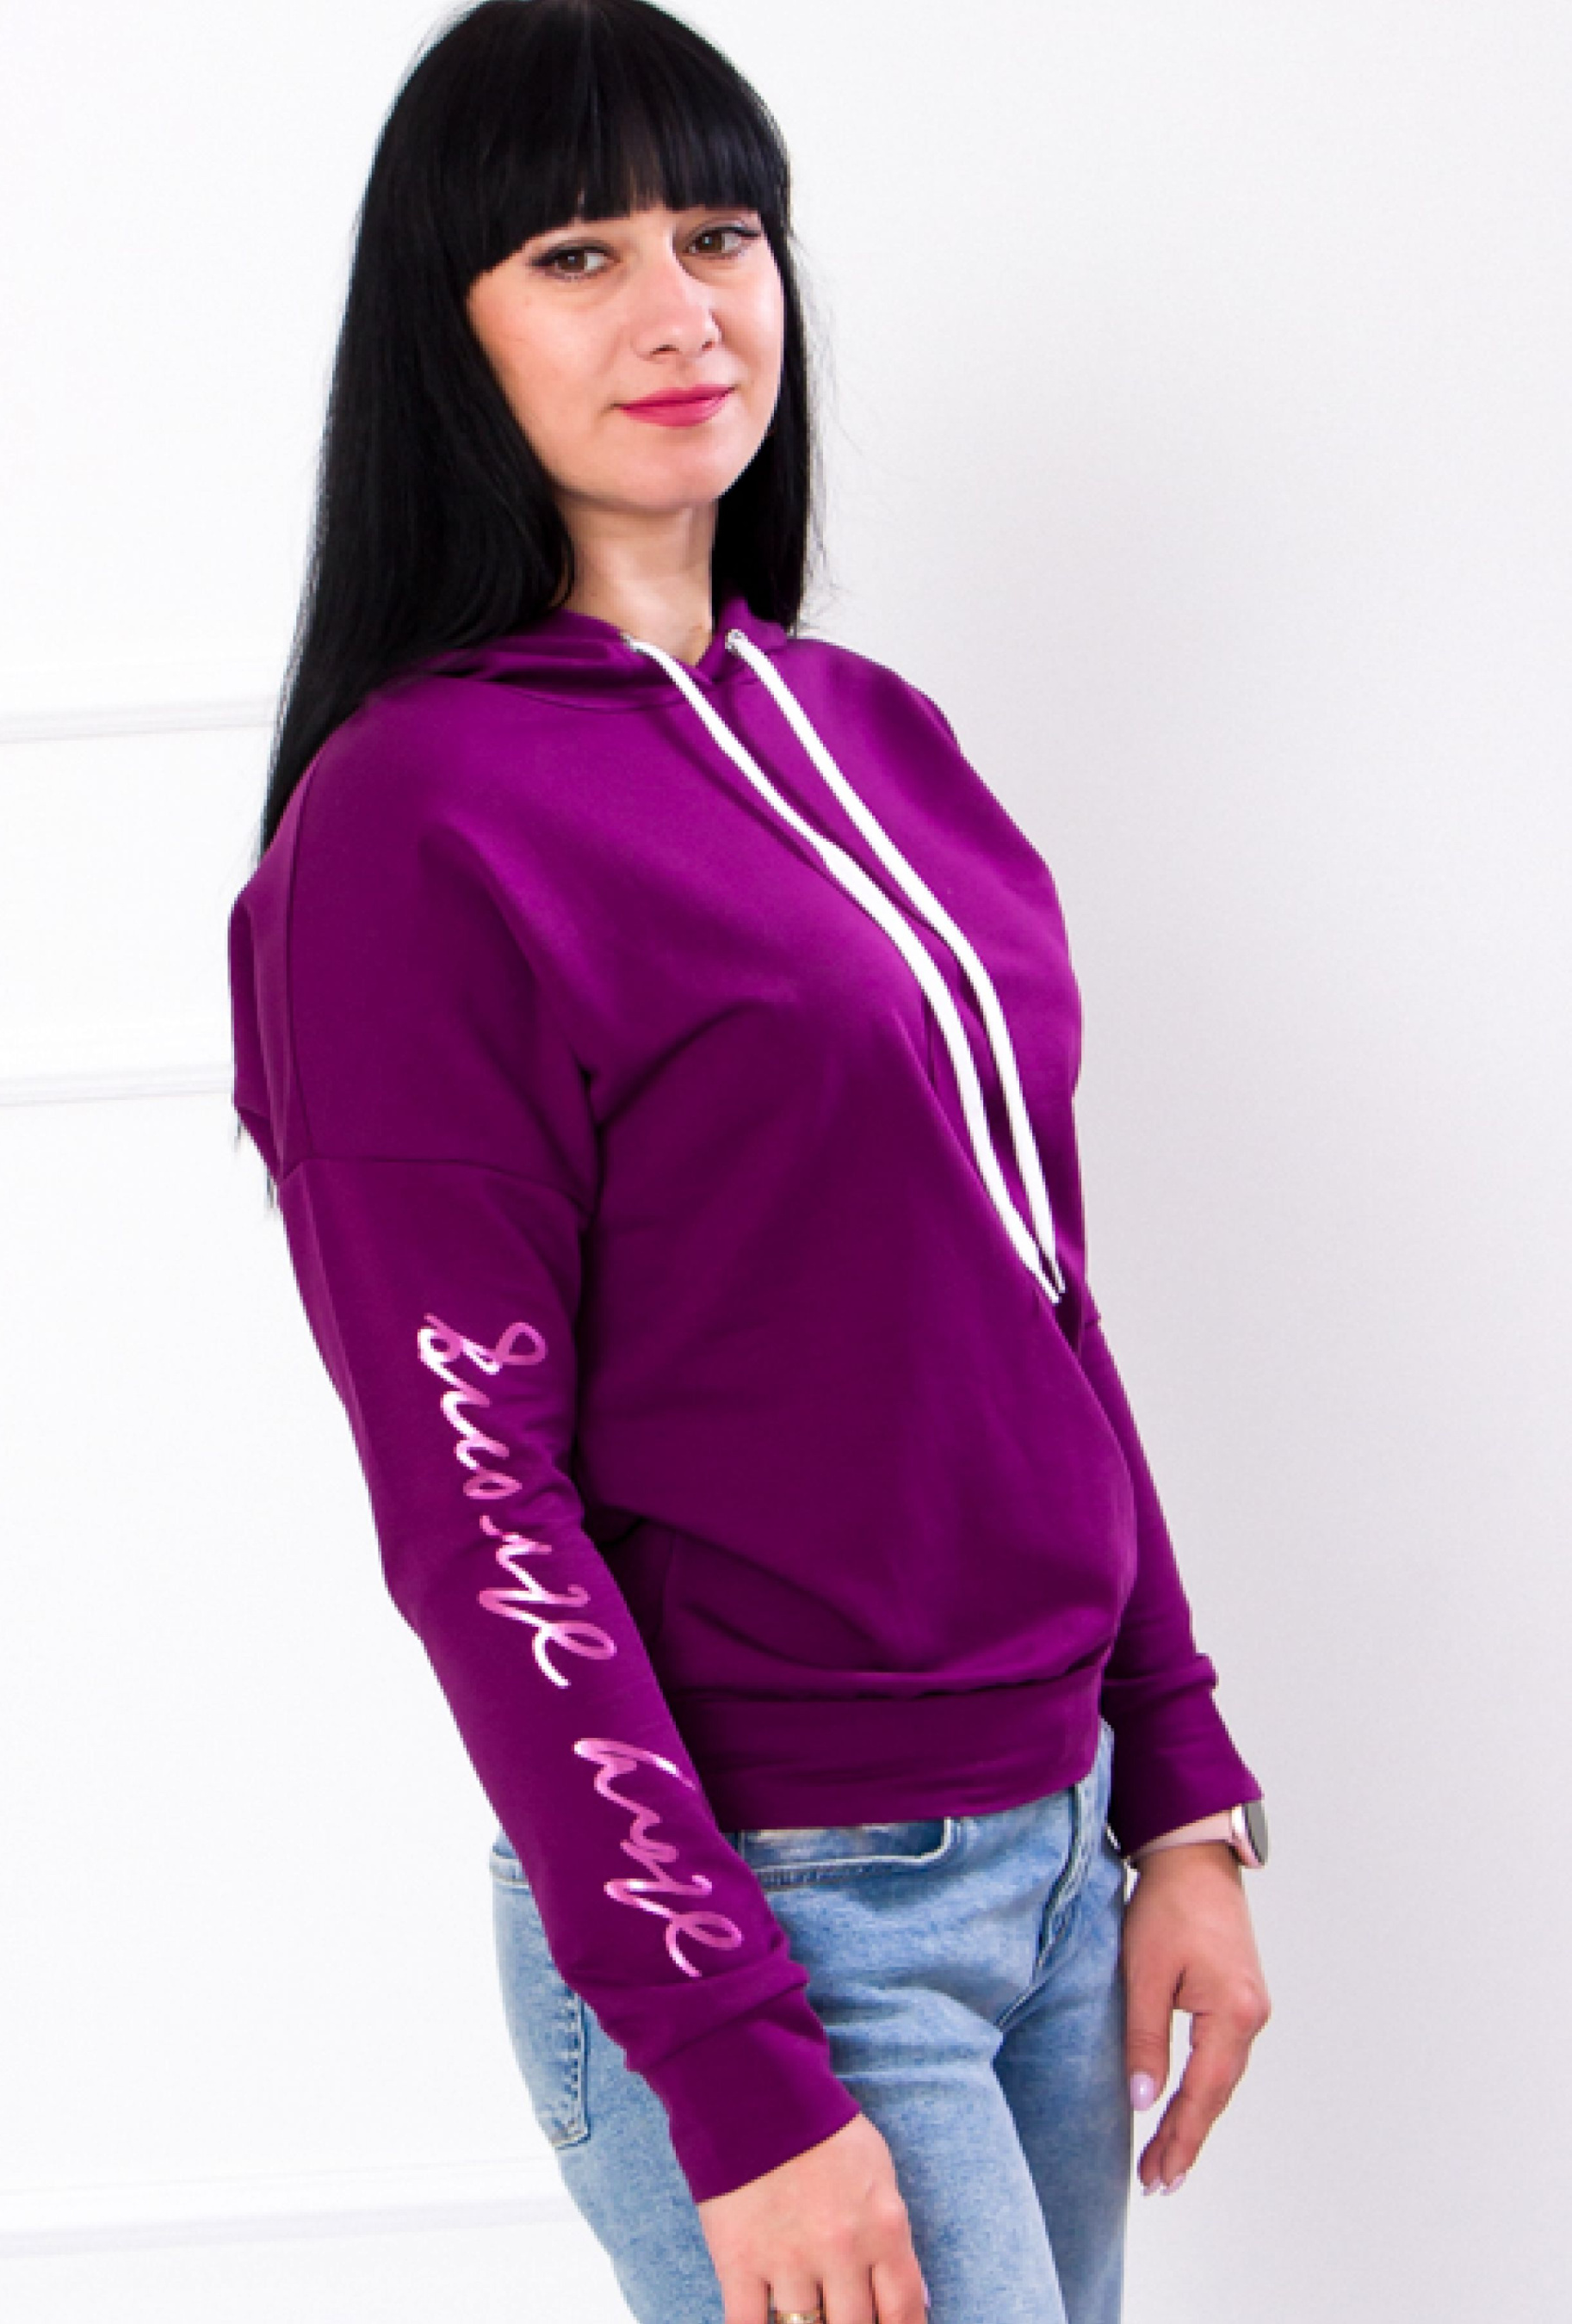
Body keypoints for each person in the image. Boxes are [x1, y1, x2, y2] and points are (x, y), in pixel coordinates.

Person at [226, 3, 1272, 2319]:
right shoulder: (413, 826)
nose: (682, 309)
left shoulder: (878, 739)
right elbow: (475, 1500)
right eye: (576, 256)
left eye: (721, 233)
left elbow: (1035, 1294)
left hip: (1051, 1863)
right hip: (773, 1911)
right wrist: (727, 2064)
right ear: (449, 329)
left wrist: (1180, 1793)